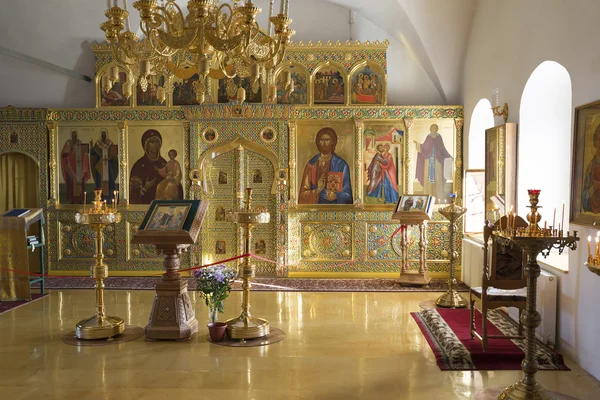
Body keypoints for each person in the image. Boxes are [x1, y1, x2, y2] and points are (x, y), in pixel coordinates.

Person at [299, 127, 353, 204]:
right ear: (318, 142)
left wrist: (336, 196)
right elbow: (302, 195)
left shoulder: (341, 165)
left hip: (335, 210)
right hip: (315, 209)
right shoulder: (311, 165)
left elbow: (348, 196)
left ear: (332, 142)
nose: (324, 143)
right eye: (322, 140)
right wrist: (317, 190)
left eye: (327, 140)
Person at [130, 129, 174, 204]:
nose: (155, 145)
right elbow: (133, 194)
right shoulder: (139, 165)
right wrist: (146, 187)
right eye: (152, 142)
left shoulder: (164, 163)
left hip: (162, 205)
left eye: (157, 142)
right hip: (144, 205)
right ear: (146, 145)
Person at [414, 124, 453, 200]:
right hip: (428, 160)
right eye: (432, 128)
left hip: (437, 159)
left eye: (435, 128)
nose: (433, 129)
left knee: (438, 176)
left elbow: (442, 148)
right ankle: (428, 195)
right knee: (428, 177)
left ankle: (438, 196)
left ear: (437, 129)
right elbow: (424, 147)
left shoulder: (439, 137)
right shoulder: (428, 137)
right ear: (430, 129)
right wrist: (418, 144)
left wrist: (449, 156)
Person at [61, 129, 90, 204]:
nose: (74, 136)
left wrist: (85, 153)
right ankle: (73, 200)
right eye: (73, 135)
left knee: (79, 183)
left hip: (79, 167)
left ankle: (80, 200)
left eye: (75, 135)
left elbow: (84, 153)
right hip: (70, 167)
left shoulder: (79, 142)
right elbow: (63, 154)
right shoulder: (68, 143)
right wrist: (70, 151)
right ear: (71, 136)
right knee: (71, 184)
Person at [89, 129, 118, 200]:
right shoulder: (98, 143)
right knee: (99, 180)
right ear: (101, 135)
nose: (103, 136)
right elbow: (93, 152)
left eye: (105, 134)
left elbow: (114, 153)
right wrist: (91, 146)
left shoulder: (110, 143)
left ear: (106, 135)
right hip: (100, 165)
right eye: (102, 134)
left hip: (109, 164)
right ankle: (100, 197)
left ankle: (111, 197)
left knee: (111, 178)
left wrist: (110, 156)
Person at [582, 124, 600, 213]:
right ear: (595, 142)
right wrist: (592, 189)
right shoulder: (591, 166)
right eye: (598, 139)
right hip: (593, 206)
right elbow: (584, 199)